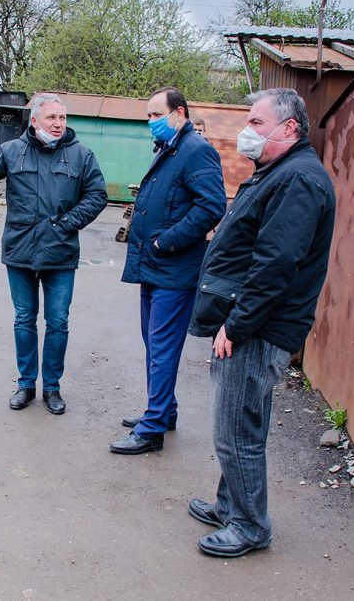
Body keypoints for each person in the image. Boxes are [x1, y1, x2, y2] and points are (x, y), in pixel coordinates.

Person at [187, 88, 336, 558]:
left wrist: (238, 324)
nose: (245, 131)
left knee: (236, 432)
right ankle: (230, 504)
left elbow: (275, 265)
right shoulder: (279, 172)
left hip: (257, 329)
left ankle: (250, 526)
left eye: (255, 121)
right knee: (241, 422)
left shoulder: (298, 181)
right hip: (251, 322)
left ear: (288, 128)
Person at [0, 93, 107, 414]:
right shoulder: (13, 152)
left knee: (57, 322)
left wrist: (68, 223)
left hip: (60, 253)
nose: (58, 124)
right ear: (35, 120)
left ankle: (52, 388)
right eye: (52, 118)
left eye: (62, 118)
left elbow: (97, 195)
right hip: (21, 251)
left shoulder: (81, 156)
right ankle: (26, 384)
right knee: (24, 320)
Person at [111, 87, 226, 455]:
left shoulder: (196, 150)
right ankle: (162, 410)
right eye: (148, 116)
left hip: (174, 268)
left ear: (179, 114)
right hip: (154, 268)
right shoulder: (170, 148)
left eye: (155, 114)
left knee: (161, 347)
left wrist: (165, 242)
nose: (150, 122)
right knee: (153, 342)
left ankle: (153, 429)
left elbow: (211, 207)